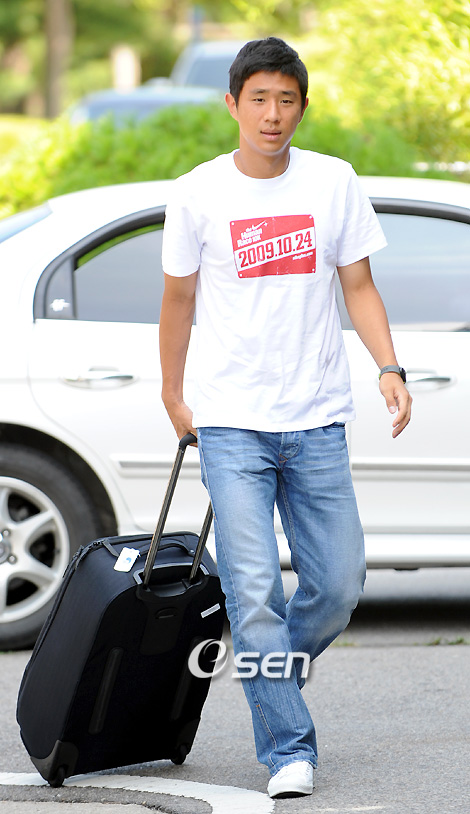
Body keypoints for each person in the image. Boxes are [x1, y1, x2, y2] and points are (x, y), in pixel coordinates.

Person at [160, 37, 412, 799]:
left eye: (287, 100)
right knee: (253, 588)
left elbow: (358, 285)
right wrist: (172, 394)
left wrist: (389, 366)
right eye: (259, 99)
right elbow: (178, 300)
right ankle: (287, 748)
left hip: (317, 418)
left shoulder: (333, 182)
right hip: (232, 421)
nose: (273, 114)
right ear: (232, 104)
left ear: (302, 107)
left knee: (338, 584)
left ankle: (266, 675)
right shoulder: (198, 193)